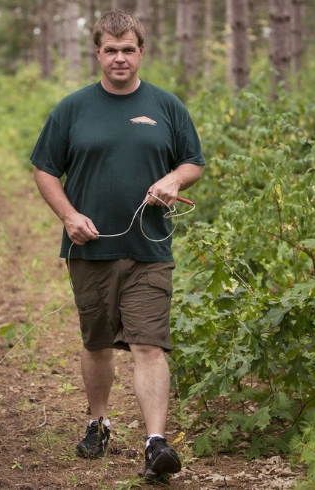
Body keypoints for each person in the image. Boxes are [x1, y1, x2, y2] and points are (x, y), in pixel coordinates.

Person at [29, 9, 205, 482]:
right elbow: (44, 169)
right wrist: (69, 216)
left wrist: (172, 178)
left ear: (141, 51)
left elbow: (193, 162)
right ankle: (98, 422)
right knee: (98, 342)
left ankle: (155, 443)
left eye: (129, 49)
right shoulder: (72, 108)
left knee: (149, 344)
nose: (120, 58)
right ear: (98, 53)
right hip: (90, 248)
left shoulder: (167, 106)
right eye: (111, 49)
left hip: (150, 248)